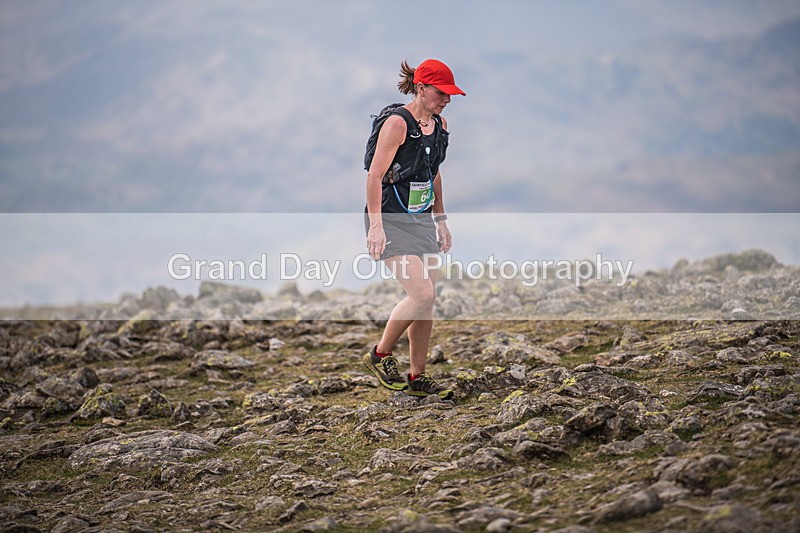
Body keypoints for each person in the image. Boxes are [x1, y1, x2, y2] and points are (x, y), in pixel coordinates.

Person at [362, 58, 466, 400]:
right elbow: (375, 176)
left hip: (421, 218)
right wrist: (376, 227)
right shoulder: (397, 124)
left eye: (450, 94)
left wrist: (441, 220)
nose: (447, 99)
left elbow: (433, 172)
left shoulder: (440, 124)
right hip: (390, 218)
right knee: (421, 294)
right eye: (442, 92)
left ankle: (417, 377)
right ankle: (379, 355)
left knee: (427, 303)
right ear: (421, 87)